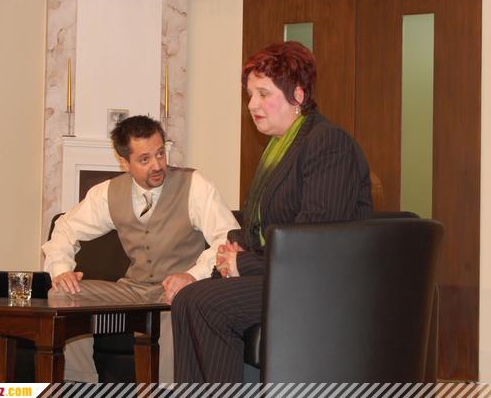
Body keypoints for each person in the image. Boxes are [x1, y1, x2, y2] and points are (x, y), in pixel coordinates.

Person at [171, 41, 373, 382]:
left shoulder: (328, 143)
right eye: (250, 95)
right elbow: (262, 225)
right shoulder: (278, 148)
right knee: (188, 299)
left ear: (297, 95)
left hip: (318, 283)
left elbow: (314, 244)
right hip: (284, 275)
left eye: (263, 94)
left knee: (204, 302)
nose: (252, 104)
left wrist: (243, 263)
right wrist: (233, 248)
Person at [42, 115, 239, 383]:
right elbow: (65, 227)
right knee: (62, 294)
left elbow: (226, 238)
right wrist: (62, 270)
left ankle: (168, 390)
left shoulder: (195, 185)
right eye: (144, 159)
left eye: (160, 153)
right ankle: (80, 384)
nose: (157, 165)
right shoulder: (108, 193)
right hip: (132, 290)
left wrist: (192, 275)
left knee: (179, 303)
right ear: (124, 162)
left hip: (179, 290)